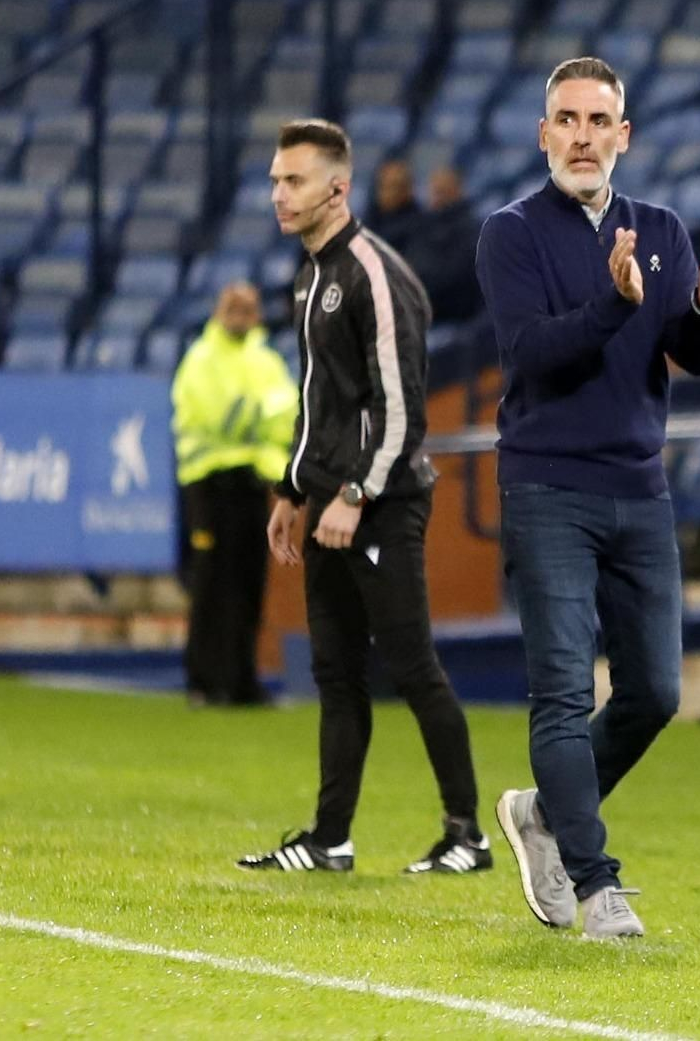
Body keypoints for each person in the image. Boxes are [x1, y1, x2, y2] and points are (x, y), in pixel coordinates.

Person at [475, 58, 700, 938]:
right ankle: (595, 881)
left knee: (655, 692)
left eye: (599, 121)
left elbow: (693, 354)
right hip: (546, 485)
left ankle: (541, 813)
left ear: (624, 135)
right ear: (543, 134)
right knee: (561, 690)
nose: (582, 136)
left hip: (640, 489)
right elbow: (533, 354)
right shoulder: (511, 233)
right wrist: (614, 301)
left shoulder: (665, 230)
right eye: (566, 119)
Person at [237, 119, 490, 877]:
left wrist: (353, 492)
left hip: (382, 501)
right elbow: (323, 400)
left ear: (337, 189)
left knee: (412, 666)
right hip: (329, 501)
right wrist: (292, 485)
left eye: (294, 181)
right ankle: (330, 838)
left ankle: (467, 835)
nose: (278, 194)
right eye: (277, 180)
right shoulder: (309, 272)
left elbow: (404, 407)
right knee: (337, 673)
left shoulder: (374, 273)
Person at [172, 280, 298, 708]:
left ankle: (242, 680)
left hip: (252, 484)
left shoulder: (265, 360)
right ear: (219, 312)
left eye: (249, 309)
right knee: (210, 581)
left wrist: (257, 416)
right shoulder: (201, 359)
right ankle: (202, 682)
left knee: (248, 583)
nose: (241, 317)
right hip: (208, 483)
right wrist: (259, 414)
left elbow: (287, 417)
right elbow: (220, 417)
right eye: (234, 309)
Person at [408, 166, 485, 325]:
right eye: (435, 191)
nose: (437, 197)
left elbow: (455, 277)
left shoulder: (471, 230)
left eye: (443, 191)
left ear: (458, 191)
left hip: (453, 317)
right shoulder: (422, 226)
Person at [362, 157, 423, 259]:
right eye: (382, 186)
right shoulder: (370, 218)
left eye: (393, 187)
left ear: (407, 190)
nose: (385, 193)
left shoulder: (418, 225)